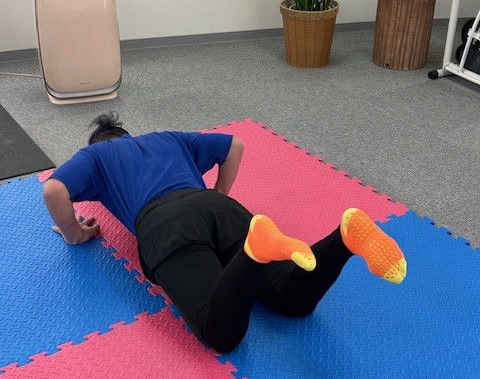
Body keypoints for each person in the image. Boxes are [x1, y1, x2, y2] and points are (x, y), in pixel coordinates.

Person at [42, 112, 407, 353]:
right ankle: (344, 238)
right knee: (293, 298)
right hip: (222, 210)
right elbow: (235, 145)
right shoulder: (166, 138)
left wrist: (75, 234)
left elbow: (54, 190)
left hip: (165, 224)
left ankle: (255, 252)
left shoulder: (95, 157)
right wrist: (219, 194)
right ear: (128, 135)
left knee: (221, 334)